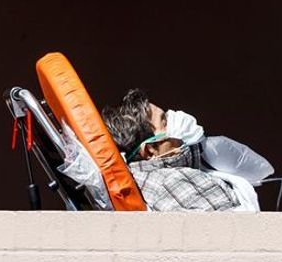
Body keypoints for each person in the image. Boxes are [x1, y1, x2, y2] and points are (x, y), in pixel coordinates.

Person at [102, 89, 273, 211]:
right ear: (150, 151)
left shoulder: (148, 179)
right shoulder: (176, 181)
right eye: (165, 120)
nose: (177, 117)